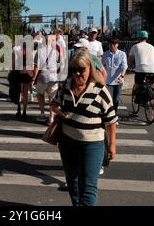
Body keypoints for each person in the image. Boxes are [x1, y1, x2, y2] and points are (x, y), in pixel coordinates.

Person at [50, 49, 117, 206]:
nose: (78, 74)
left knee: (88, 187)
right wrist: (59, 111)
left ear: (90, 69)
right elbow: (54, 104)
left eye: (82, 69)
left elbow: (111, 120)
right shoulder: (65, 87)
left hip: (92, 145)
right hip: (67, 142)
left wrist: (112, 144)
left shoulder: (100, 91)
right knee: (72, 181)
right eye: (74, 69)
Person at [31, 35, 59, 123]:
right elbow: (58, 65)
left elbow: (36, 67)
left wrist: (33, 79)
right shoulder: (56, 52)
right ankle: (51, 118)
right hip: (53, 78)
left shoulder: (39, 51)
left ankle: (42, 114)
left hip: (42, 77)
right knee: (52, 98)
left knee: (40, 94)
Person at [128, 30, 154, 99]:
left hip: (141, 70)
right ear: (146, 38)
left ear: (138, 38)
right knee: (150, 84)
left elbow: (130, 59)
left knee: (138, 84)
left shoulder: (135, 46)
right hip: (153, 70)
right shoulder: (152, 47)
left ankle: (137, 97)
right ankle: (152, 90)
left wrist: (128, 66)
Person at [102, 38, 128, 112]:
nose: (112, 45)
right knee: (109, 99)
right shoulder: (105, 54)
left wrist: (121, 76)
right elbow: (102, 66)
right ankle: (110, 113)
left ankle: (114, 112)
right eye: (111, 44)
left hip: (118, 81)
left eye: (114, 44)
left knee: (116, 99)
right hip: (108, 81)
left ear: (117, 45)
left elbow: (124, 66)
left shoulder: (122, 54)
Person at [12, 38, 34, 118]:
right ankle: (24, 111)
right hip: (27, 73)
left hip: (19, 72)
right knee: (25, 93)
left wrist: (12, 71)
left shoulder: (17, 51)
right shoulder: (30, 52)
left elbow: (13, 63)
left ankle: (18, 108)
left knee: (19, 92)